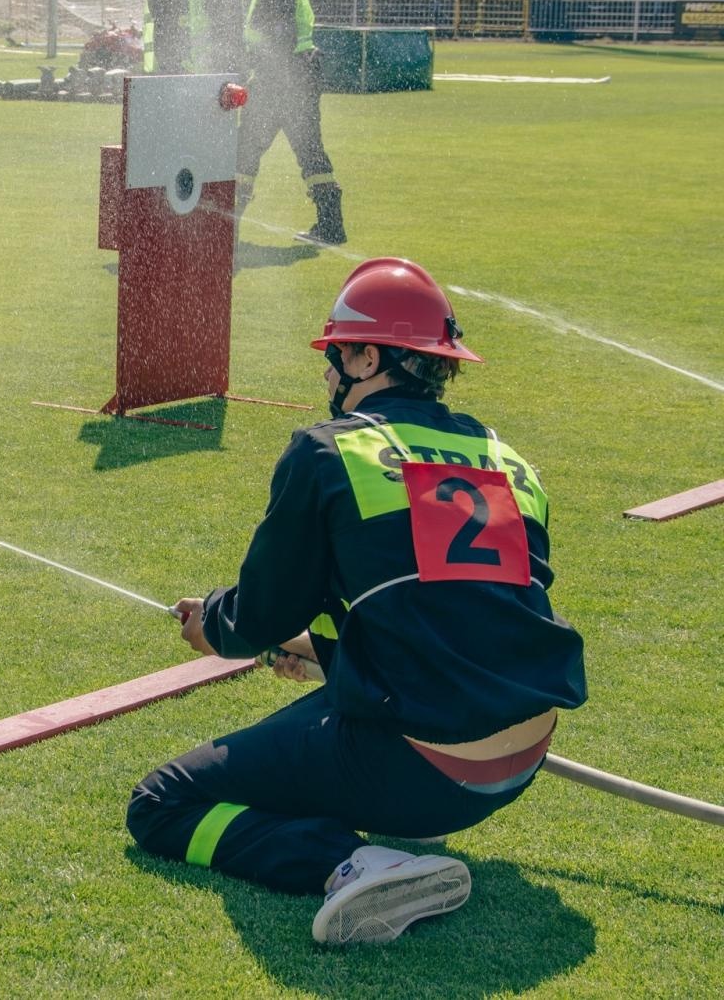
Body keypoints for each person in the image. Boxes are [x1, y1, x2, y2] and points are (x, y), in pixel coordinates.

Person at [126, 258, 587, 944]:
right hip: (526, 751)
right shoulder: (504, 456)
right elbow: (467, 619)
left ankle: (354, 862)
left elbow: (257, 619)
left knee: (161, 803)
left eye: (336, 354)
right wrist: (324, 654)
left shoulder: (328, 452)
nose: (327, 374)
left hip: (422, 763)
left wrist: (214, 629)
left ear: (371, 356)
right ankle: (396, 815)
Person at [233, 0, 345, 245]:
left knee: (245, 152)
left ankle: (227, 227)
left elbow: (274, 46)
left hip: (280, 84)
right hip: (297, 83)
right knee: (310, 153)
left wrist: (252, 77)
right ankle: (331, 226)